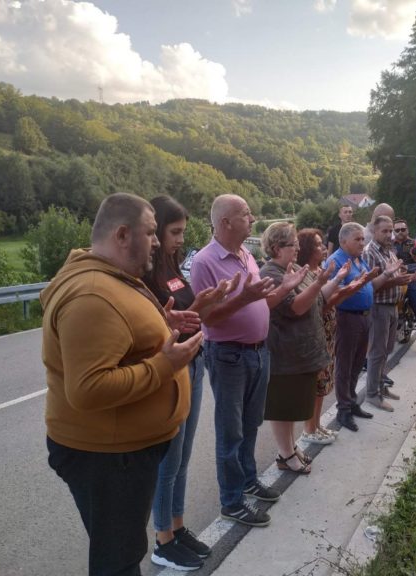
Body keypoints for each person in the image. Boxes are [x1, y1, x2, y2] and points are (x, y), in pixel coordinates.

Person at [42, 193, 204, 576]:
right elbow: (88, 388)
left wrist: (163, 326)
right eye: (150, 232)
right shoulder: (93, 295)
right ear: (121, 234)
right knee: (118, 561)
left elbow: (124, 342)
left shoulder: (113, 278)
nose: (156, 241)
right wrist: (165, 364)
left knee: (122, 550)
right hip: (109, 458)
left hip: (121, 453)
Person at [143, 195, 234, 571]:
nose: (181, 238)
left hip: (192, 365)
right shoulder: (147, 274)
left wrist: (208, 302)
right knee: (168, 460)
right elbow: (158, 329)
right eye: (174, 232)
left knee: (182, 457)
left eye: (182, 232)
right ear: (156, 230)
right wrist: (198, 308)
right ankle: (162, 538)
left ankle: (177, 527)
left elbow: (188, 316)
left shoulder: (174, 267)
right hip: (171, 371)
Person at [190, 194, 278, 528]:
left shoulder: (246, 254)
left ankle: (248, 479)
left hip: (258, 350)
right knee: (230, 430)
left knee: (251, 422)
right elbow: (208, 318)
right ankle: (232, 501)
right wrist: (245, 298)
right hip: (228, 354)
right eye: (245, 214)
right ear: (225, 221)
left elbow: (256, 299)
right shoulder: (205, 262)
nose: (252, 218)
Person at [259, 222, 344, 472]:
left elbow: (319, 298)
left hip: (302, 353)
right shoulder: (271, 274)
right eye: (292, 244)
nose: (297, 248)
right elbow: (295, 307)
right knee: (284, 408)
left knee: (293, 406)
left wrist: (334, 279)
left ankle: (290, 449)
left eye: (297, 243)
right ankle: (285, 455)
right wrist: (319, 283)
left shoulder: (294, 268)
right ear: (276, 248)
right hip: (286, 356)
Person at [326, 222, 401, 432]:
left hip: (363, 317)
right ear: (343, 241)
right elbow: (331, 294)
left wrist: (386, 274)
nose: (362, 242)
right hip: (346, 318)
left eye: (362, 238)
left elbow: (370, 286)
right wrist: (355, 285)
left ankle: (351, 403)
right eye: (357, 239)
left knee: (358, 364)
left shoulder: (357, 260)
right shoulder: (335, 261)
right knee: (344, 366)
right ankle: (343, 410)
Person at [296, 228, 363, 445]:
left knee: (323, 384)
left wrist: (345, 284)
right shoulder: (304, 274)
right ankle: (309, 428)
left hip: (328, 332)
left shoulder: (321, 270)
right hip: (317, 334)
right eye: (317, 245)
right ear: (306, 249)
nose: (324, 248)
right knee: (316, 384)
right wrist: (347, 288)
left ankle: (316, 425)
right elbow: (320, 306)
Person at [362, 216, 416, 412]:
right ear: (374, 231)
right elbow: (369, 286)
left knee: (386, 350)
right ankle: (371, 395)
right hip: (378, 308)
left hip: (393, 306)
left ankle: (380, 387)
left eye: (390, 231)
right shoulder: (370, 253)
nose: (389, 235)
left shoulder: (389, 251)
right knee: (377, 353)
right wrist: (395, 281)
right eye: (384, 231)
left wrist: (410, 276)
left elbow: (395, 275)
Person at [393, 218, 416, 356]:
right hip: (395, 281)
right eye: (397, 230)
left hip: (411, 280)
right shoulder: (390, 245)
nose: (400, 232)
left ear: (407, 230)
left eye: (403, 229)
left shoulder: (415, 244)